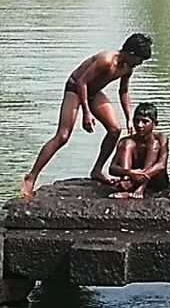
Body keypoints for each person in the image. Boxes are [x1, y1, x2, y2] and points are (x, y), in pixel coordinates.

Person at [19, 33, 153, 199]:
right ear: (132, 54)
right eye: (139, 59)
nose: (139, 64)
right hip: (75, 88)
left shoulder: (127, 68)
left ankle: (97, 170)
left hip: (94, 92)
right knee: (63, 136)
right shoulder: (106, 60)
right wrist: (86, 113)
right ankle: (31, 177)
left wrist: (129, 118)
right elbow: (82, 82)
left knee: (115, 130)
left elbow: (123, 91)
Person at [109, 102, 170, 199]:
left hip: (154, 180)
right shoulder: (126, 141)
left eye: (145, 122)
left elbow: (161, 165)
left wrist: (140, 176)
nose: (140, 125)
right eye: (137, 121)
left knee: (154, 144)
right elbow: (112, 168)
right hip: (131, 178)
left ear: (154, 124)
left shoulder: (161, 138)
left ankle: (139, 188)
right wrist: (130, 173)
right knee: (127, 144)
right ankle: (126, 185)